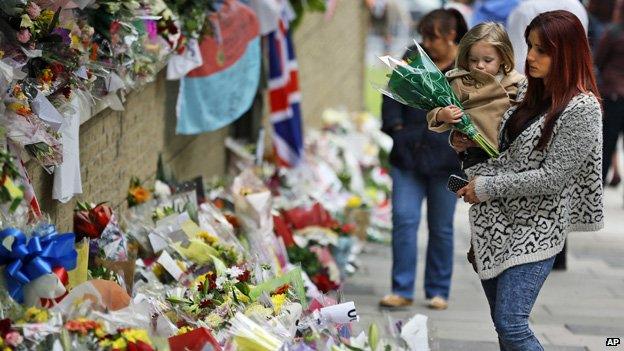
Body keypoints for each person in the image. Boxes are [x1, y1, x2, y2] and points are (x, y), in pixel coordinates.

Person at [453, 11, 603, 349]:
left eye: (542, 50)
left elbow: (553, 177)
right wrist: (465, 144)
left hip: (537, 229)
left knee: (512, 324)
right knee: (503, 328)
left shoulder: (582, 107)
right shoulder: (526, 95)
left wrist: (486, 188)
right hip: (493, 224)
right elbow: (501, 156)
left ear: (566, 53)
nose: (530, 57)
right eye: (530, 47)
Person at [379, 8, 467, 310]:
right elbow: (391, 96)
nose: (427, 43)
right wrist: (398, 130)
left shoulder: (466, 67)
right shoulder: (412, 58)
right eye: (425, 37)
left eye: (434, 37)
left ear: (452, 36)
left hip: (448, 161)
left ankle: (438, 290)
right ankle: (401, 288)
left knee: (441, 227)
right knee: (404, 220)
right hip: (408, 156)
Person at [427, 22, 525, 170]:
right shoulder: (461, 82)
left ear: (503, 58)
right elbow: (438, 108)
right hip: (475, 155)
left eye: (487, 60)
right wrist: (442, 115)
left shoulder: (518, 83)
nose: (480, 65)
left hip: (511, 157)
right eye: (473, 60)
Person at [506, 0, 588, 74]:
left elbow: (518, 61)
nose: (530, 57)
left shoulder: (526, 10)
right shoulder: (577, 7)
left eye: (541, 50)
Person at [595, 1, 624, 188]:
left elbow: (598, 60)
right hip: (616, 94)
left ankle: (599, 191)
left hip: (614, 95)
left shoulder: (613, 33)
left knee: (607, 146)